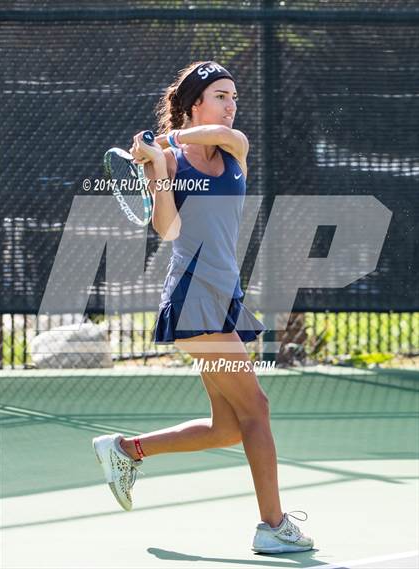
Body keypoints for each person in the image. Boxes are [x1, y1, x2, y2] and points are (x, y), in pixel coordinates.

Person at [93, 61, 314, 554]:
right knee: (257, 408)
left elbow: (215, 133)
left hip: (226, 295)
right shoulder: (166, 164)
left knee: (228, 427)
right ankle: (273, 526)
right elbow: (167, 230)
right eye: (220, 95)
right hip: (193, 296)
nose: (231, 105)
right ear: (195, 101)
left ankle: (126, 451)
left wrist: (163, 142)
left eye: (234, 96)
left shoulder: (235, 147)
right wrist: (157, 165)